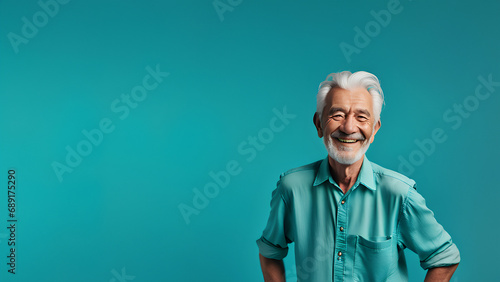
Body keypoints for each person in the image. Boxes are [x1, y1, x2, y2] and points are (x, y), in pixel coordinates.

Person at [256, 71, 460, 282]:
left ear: (373, 130)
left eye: (361, 117)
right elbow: (270, 252)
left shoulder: (399, 194)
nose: (348, 128)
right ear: (319, 124)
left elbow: (444, 258)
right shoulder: (291, 188)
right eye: (338, 115)